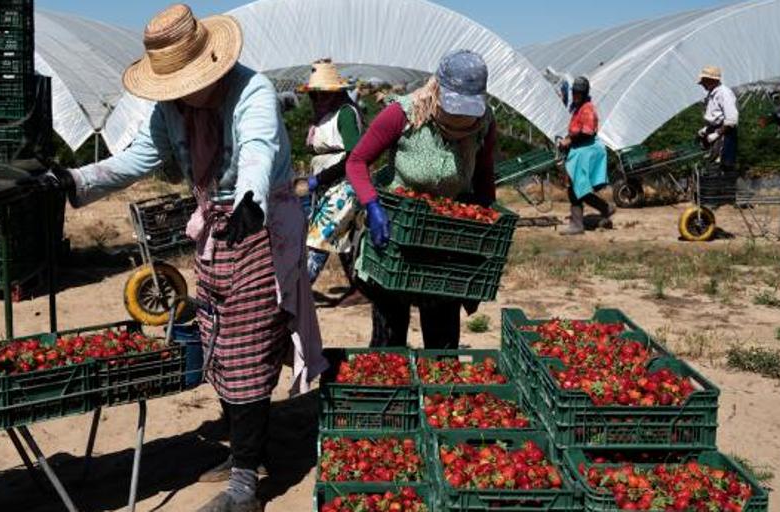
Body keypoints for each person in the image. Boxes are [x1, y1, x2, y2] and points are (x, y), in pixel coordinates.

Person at [42, 5, 327, 511]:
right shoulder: (172, 106)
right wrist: (76, 180)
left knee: (250, 346)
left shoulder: (252, 91)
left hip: (261, 228)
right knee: (216, 339)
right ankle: (248, 453)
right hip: (216, 232)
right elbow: (140, 157)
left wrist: (249, 201)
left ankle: (246, 484)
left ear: (211, 65)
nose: (175, 93)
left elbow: (259, 148)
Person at [346, 49, 497, 350]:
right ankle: (392, 394)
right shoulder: (404, 114)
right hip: (396, 233)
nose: (462, 115)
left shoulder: (483, 123)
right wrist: (373, 206)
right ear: (438, 88)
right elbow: (357, 162)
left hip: (446, 238)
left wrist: (484, 231)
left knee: (442, 341)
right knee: (390, 335)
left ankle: (437, 393)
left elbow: (483, 176)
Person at [294, 59, 364, 289]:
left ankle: (298, 291)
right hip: (328, 187)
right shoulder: (325, 116)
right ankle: (360, 289)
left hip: (344, 186)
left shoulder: (345, 114)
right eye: (314, 95)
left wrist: (319, 179)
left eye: (322, 94)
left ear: (335, 93)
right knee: (342, 241)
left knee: (318, 239)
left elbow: (353, 157)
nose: (317, 99)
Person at [558, 77, 613, 236]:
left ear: (584, 93)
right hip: (581, 150)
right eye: (574, 92)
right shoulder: (578, 108)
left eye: (578, 93)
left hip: (587, 150)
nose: (575, 95)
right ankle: (605, 208)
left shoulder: (587, 108)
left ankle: (577, 225)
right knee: (577, 188)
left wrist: (569, 140)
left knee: (576, 189)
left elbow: (587, 131)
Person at [696, 66, 739, 171]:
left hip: (725, 133)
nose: (702, 84)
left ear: (711, 80)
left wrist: (717, 134)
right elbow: (715, 116)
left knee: (722, 163)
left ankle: (724, 184)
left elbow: (731, 120)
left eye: (704, 81)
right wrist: (706, 129)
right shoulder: (713, 93)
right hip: (716, 129)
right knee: (712, 160)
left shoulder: (724, 93)